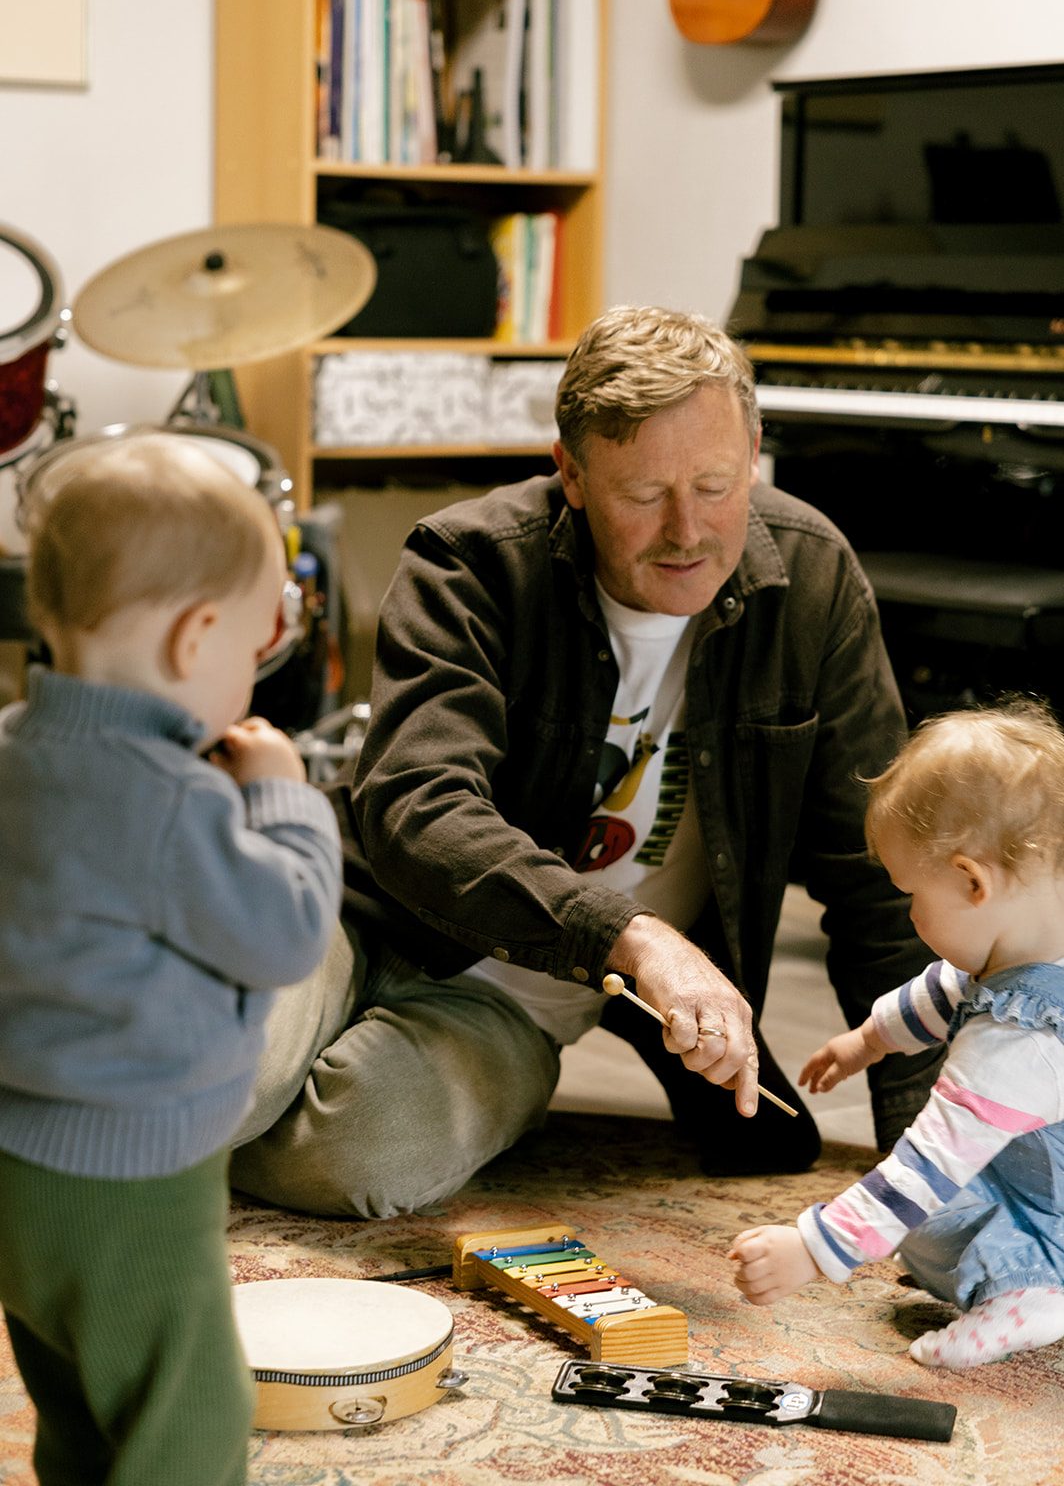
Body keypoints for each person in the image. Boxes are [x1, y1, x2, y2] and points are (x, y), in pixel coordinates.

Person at [231, 304, 936, 1220]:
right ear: (569, 473)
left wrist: (929, 1164)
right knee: (232, 1075)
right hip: (351, 911)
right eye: (644, 496)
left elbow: (880, 880)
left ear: (755, 450)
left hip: (519, 1004)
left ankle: (164, 1138)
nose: (688, 531)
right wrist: (631, 936)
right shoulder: (471, 562)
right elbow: (418, 808)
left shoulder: (813, 581)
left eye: (718, 485)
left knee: (356, 1158)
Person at [0, 431, 342, 1486]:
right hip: (134, 1176)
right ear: (197, 637)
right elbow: (285, 931)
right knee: (186, 1409)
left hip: (19, 1166)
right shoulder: (175, 799)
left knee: (76, 1391)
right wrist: (284, 795)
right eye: (249, 647)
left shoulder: (12, 749)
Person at [730, 699, 1064, 1369]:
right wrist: (869, 1040)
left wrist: (813, 1248)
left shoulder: (1019, 1046)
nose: (908, 913)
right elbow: (946, 990)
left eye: (911, 893)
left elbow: (926, 1165)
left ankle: (1034, 1291)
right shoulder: (1026, 956)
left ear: (972, 882)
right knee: (923, 1230)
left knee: (915, 1208)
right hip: (1037, 1188)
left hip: (1052, 1223)